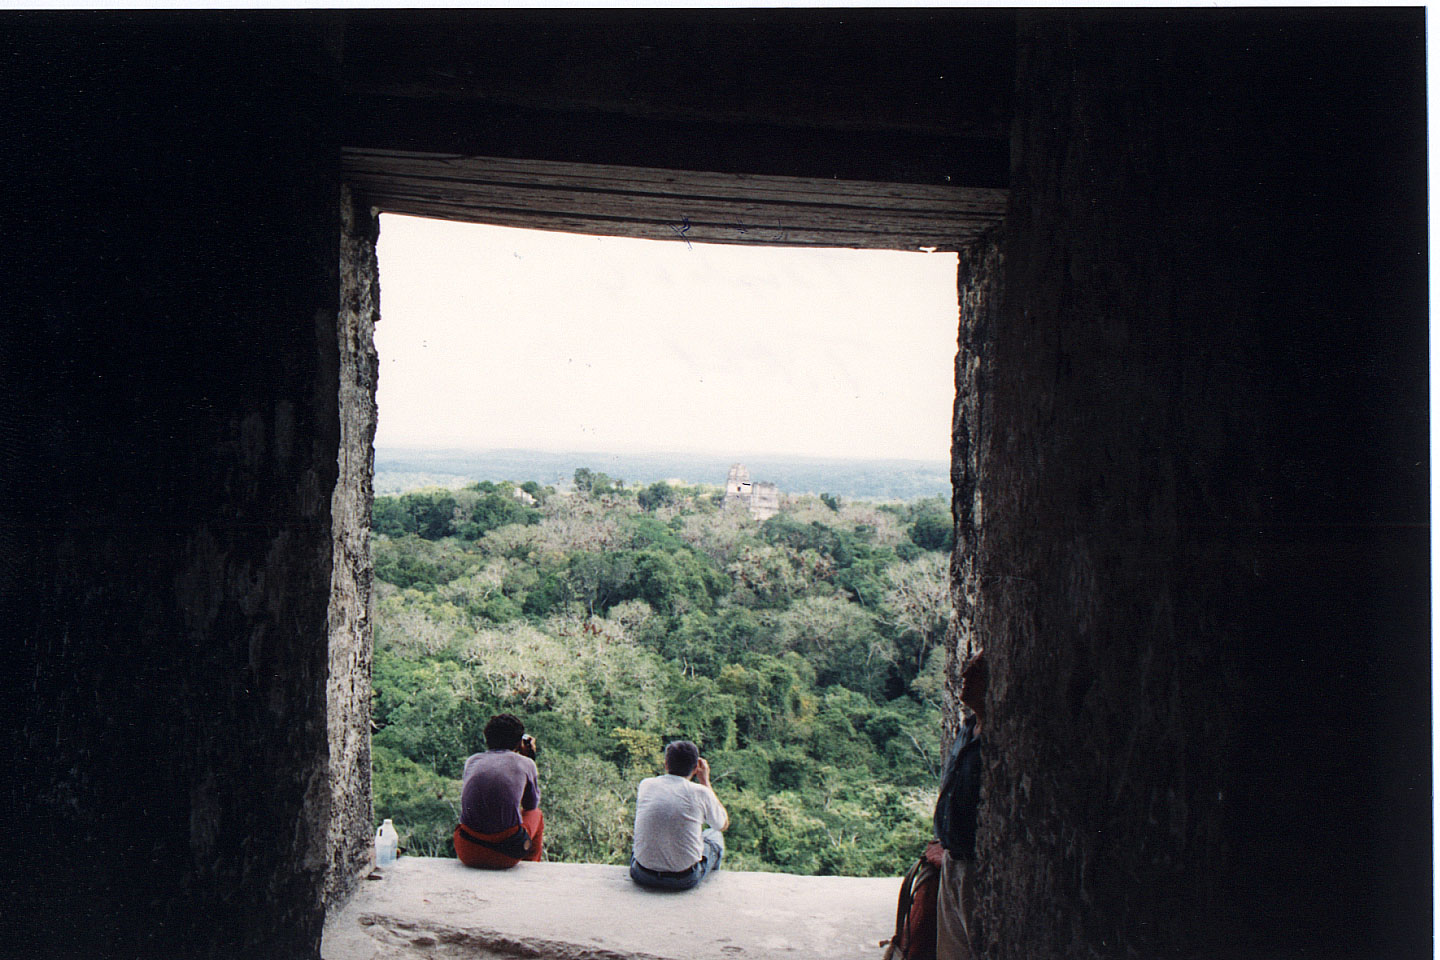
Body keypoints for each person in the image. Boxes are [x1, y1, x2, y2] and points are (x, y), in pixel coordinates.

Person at [934, 649, 986, 960]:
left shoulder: (995, 737)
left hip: (974, 865)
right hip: (952, 858)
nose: (964, 677)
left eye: (974, 673)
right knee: (952, 952)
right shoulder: (967, 728)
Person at [629, 740, 728, 891]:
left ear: (666, 764)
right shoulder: (701, 792)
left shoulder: (646, 785)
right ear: (696, 768)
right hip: (683, 879)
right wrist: (705, 782)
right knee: (714, 835)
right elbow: (722, 825)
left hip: (641, 874)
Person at [453, 713, 544, 869]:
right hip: (507, 854)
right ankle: (531, 867)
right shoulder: (526, 763)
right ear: (519, 742)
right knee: (536, 814)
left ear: (487, 739)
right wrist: (529, 759)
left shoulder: (472, 761)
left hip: (467, 851)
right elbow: (530, 805)